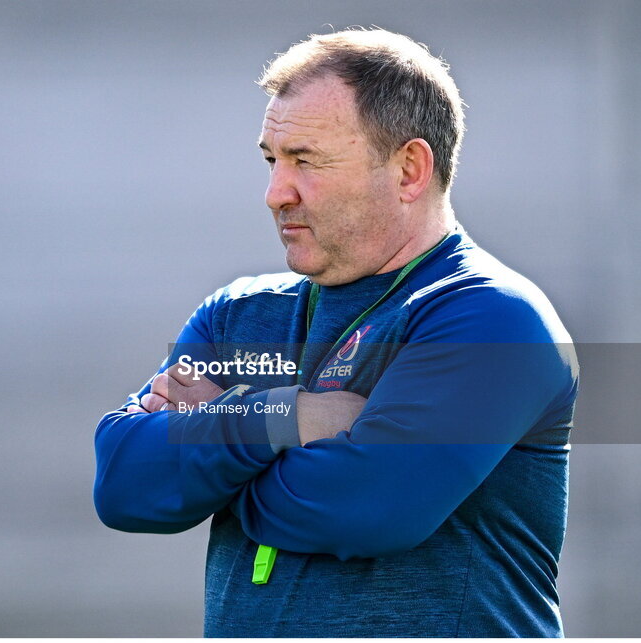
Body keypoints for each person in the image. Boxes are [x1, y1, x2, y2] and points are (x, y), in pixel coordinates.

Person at [93, 28, 578, 637]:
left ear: (409, 169)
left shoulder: (491, 317)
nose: (275, 193)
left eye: (308, 160)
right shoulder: (235, 315)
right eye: (272, 159)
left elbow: (366, 508)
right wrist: (286, 417)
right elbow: (124, 485)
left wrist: (212, 457)